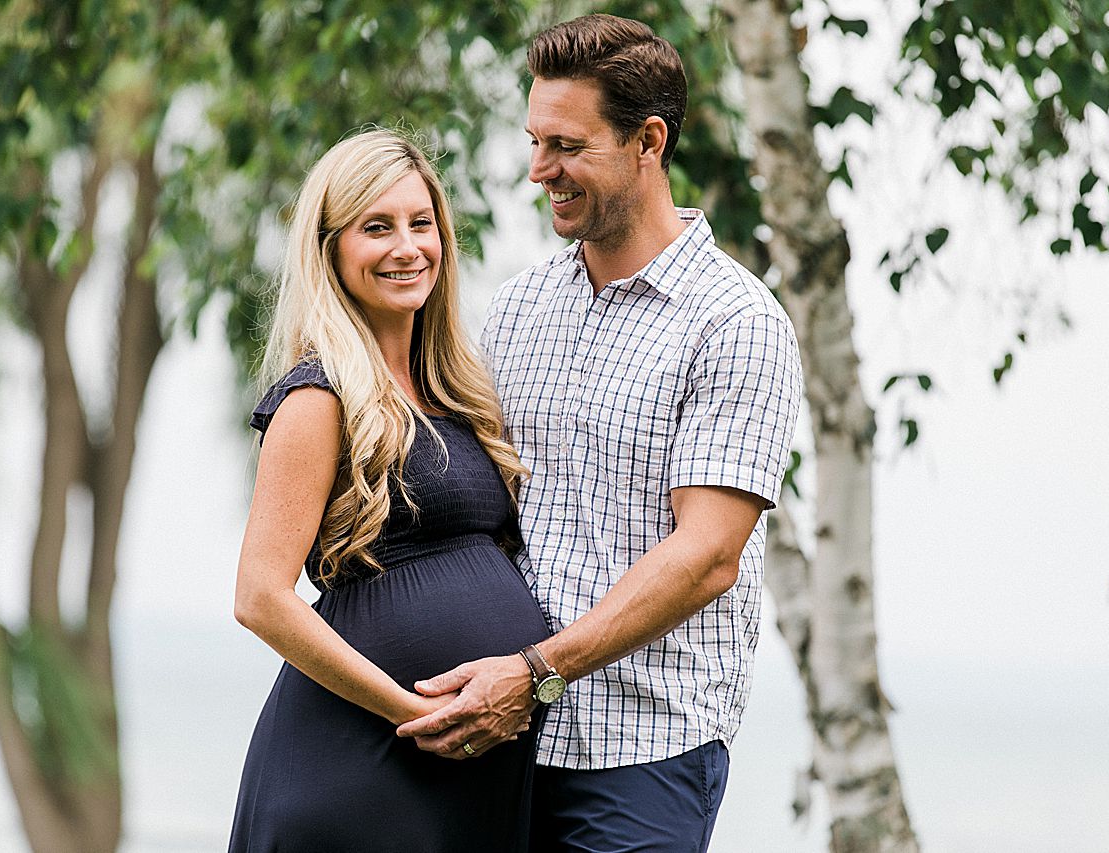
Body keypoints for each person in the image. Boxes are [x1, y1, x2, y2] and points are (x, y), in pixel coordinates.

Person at [397, 14, 803, 852]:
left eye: (567, 146)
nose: (540, 169)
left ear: (648, 141)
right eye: (535, 141)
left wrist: (536, 672)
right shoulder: (516, 310)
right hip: (498, 740)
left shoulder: (737, 323)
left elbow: (707, 556)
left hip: (643, 754)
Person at [228, 128, 550, 852]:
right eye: (377, 227)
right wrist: (411, 710)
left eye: (420, 223)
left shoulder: (456, 392)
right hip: (365, 765)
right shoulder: (319, 398)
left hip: (462, 776)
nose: (408, 248)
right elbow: (259, 596)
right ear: (331, 250)